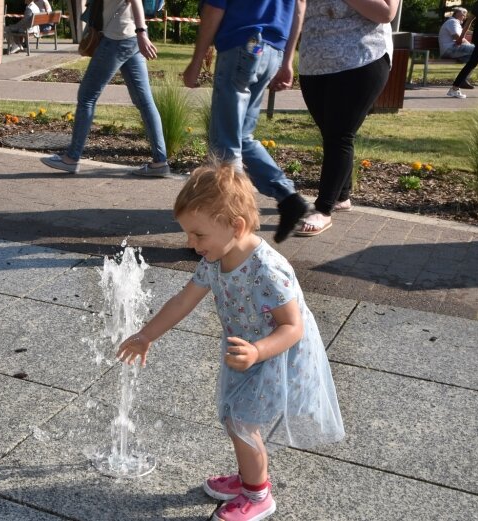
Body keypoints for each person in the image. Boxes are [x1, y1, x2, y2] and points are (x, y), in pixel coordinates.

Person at [116, 163, 345, 521]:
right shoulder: (215, 257)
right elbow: (183, 300)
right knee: (236, 419)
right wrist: (147, 335)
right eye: (189, 235)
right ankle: (248, 479)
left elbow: (293, 328)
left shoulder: (267, 269)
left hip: (274, 354)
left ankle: (258, 496)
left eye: (198, 235)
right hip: (245, 350)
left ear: (235, 227)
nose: (190, 243)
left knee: (241, 421)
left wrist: (258, 351)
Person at [182, 0, 309, 243]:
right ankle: (288, 198)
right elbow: (299, 6)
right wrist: (287, 60)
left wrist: (196, 62)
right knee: (241, 137)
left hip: (242, 45)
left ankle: (227, 234)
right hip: (272, 50)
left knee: (224, 145)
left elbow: (214, 9)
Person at [272, 0, 398, 236]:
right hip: (314, 62)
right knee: (330, 132)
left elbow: (386, 12)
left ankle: (323, 209)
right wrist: (287, 58)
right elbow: (297, 8)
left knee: (339, 134)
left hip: (362, 58)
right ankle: (342, 196)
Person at [41, 0, 169, 177]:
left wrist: (142, 33)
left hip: (117, 39)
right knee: (145, 102)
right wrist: (139, 34)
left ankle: (71, 158)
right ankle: (160, 162)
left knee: (87, 97)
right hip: (129, 39)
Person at [447, 2, 478, 99]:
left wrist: (461, 36)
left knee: (472, 63)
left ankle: (454, 88)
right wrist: (461, 37)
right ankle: (454, 88)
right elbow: (469, 21)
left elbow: (468, 21)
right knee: (472, 63)